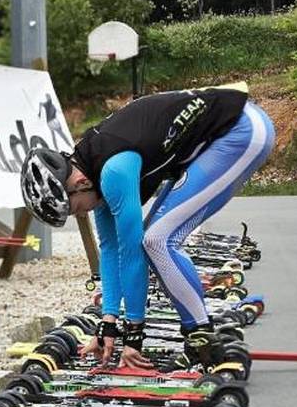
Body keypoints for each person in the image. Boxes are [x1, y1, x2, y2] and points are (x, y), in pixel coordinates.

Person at [20, 84, 274, 370]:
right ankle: (199, 333)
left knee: (157, 241)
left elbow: (132, 254)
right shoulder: (91, 166)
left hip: (240, 131)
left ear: (79, 184)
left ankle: (200, 337)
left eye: (76, 208)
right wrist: (109, 321)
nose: (83, 212)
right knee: (155, 239)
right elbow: (110, 248)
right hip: (225, 133)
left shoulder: (112, 171)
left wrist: (134, 336)